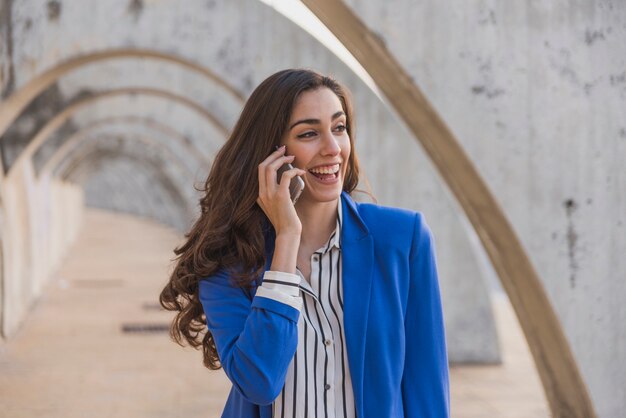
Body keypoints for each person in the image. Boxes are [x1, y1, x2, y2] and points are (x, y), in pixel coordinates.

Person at [160, 69, 449, 418]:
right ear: (271, 154)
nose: (333, 148)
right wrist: (287, 240)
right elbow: (259, 382)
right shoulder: (227, 258)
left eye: (339, 128)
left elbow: (426, 388)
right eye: (309, 133)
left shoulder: (404, 239)